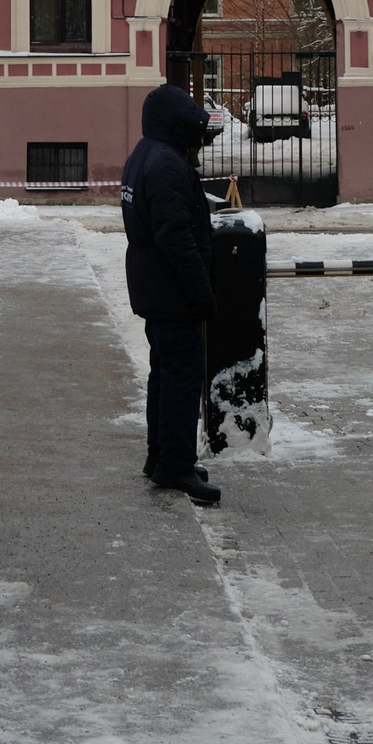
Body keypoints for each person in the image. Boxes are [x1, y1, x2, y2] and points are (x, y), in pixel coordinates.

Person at [119, 81, 220, 505]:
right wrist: (203, 295)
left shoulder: (144, 154)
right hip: (171, 289)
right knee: (181, 376)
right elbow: (177, 239)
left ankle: (160, 457)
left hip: (152, 286)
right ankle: (174, 465)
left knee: (163, 372)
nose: (199, 144)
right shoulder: (166, 165)